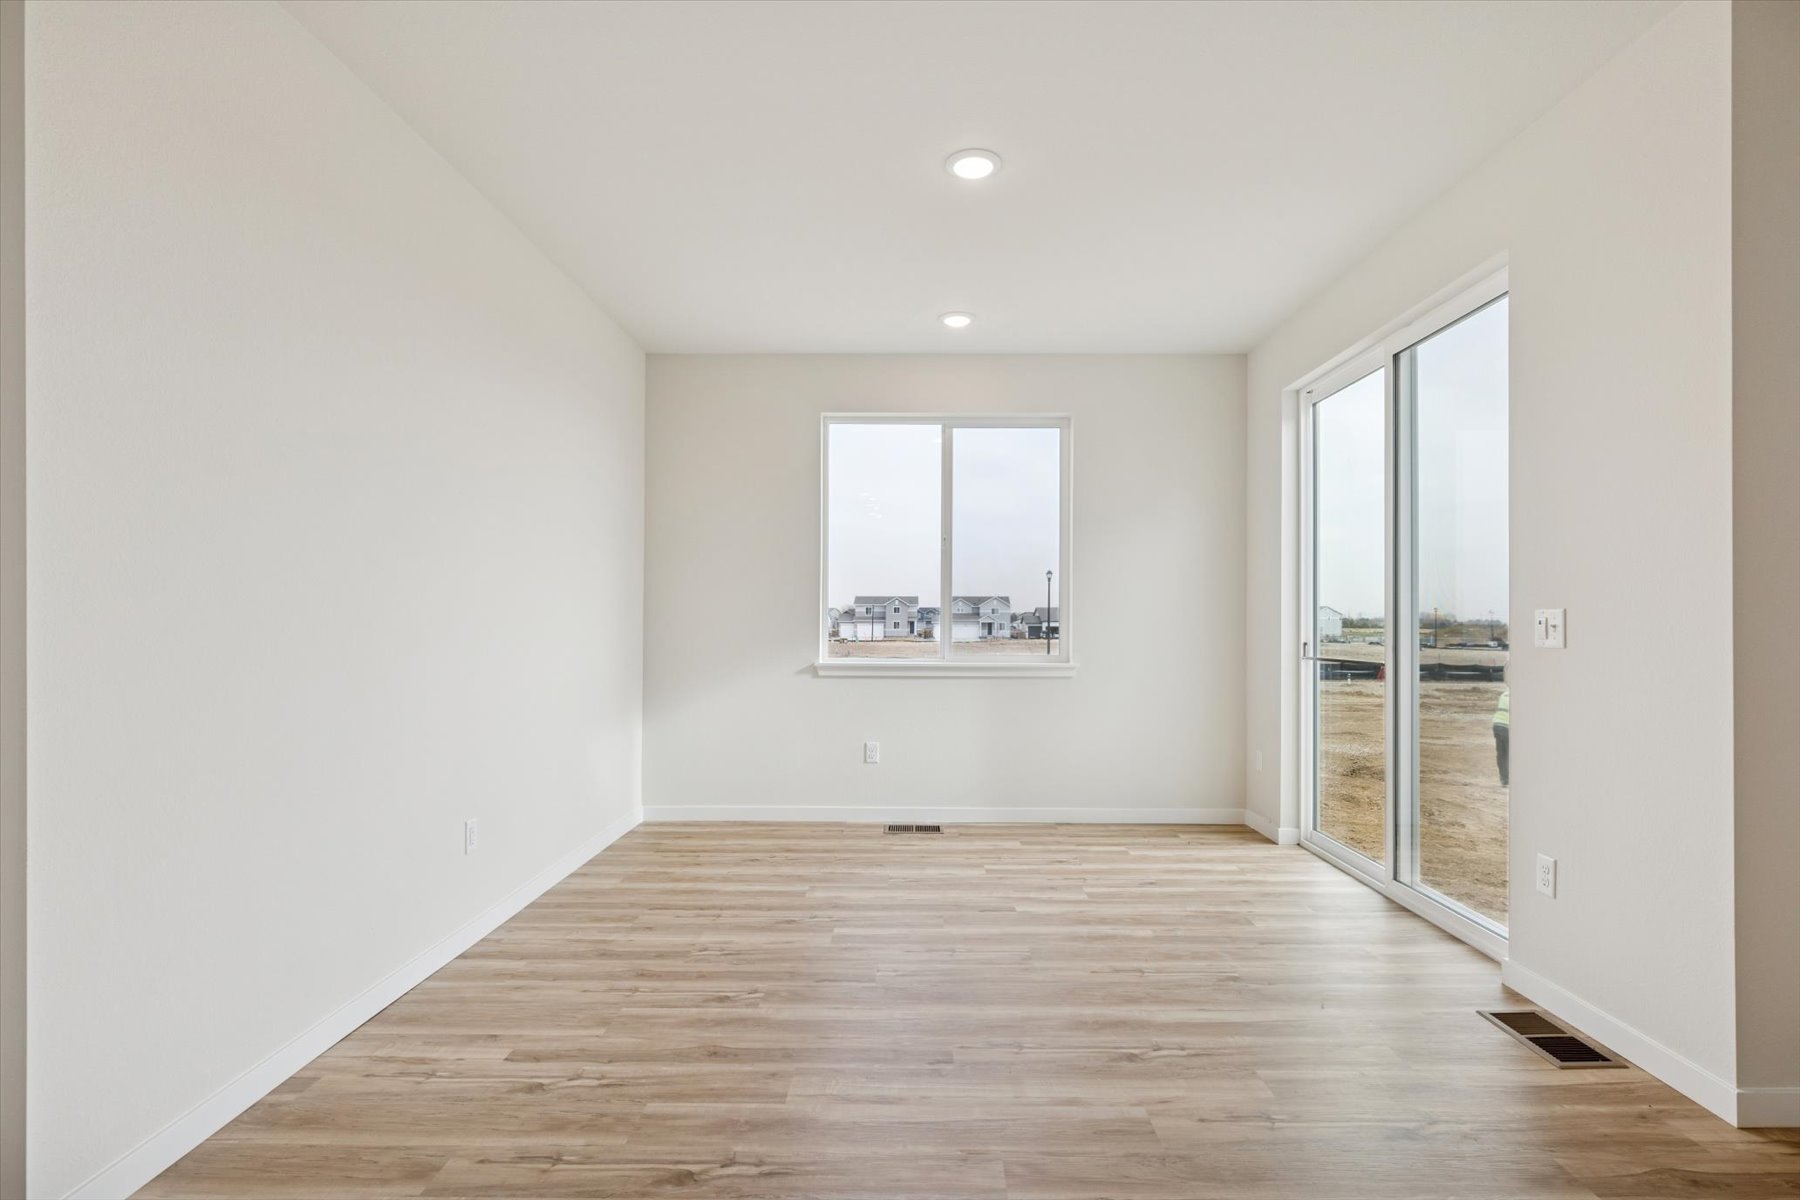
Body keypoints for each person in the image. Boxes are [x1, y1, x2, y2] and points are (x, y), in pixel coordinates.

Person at [1493, 688, 1510, 786]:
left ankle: (1504, 780)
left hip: (1497, 725)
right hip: (1507, 727)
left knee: (1501, 754)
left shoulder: (1504, 694)